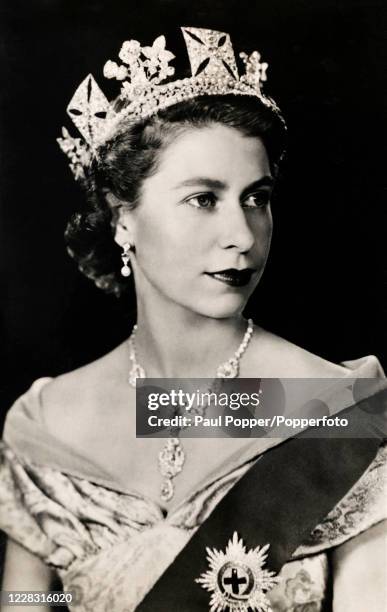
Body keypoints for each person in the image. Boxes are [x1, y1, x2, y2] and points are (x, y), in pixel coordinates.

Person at [0, 26, 386, 612]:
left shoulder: (339, 413)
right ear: (121, 219)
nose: (241, 236)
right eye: (203, 198)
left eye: (256, 198)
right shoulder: (44, 425)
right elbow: (27, 601)